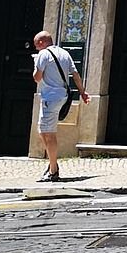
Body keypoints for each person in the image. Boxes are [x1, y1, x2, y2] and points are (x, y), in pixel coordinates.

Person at [31, 30, 88, 183]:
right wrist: (82, 92)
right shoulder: (65, 53)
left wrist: (36, 64)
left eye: (36, 45)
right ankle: (52, 164)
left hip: (50, 97)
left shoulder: (43, 55)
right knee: (44, 131)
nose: (36, 48)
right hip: (62, 96)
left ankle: (53, 170)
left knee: (48, 134)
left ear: (42, 42)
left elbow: (37, 78)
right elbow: (75, 75)